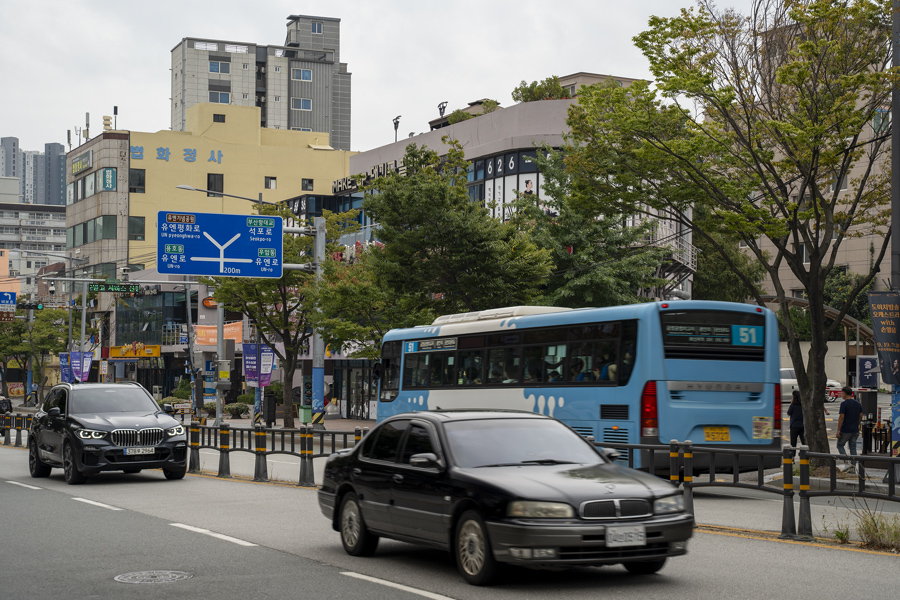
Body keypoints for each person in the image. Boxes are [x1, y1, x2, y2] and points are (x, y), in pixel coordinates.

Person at [836, 385, 862, 473]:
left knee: (840, 445)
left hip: (846, 429)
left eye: (842, 393)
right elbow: (860, 415)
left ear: (845, 394)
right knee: (853, 448)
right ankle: (853, 466)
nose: (841, 395)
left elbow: (841, 417)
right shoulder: (858, 403)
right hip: (855, 430)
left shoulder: (843, 404)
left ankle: (846, 462)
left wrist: (838, 430)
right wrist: (857, 424)